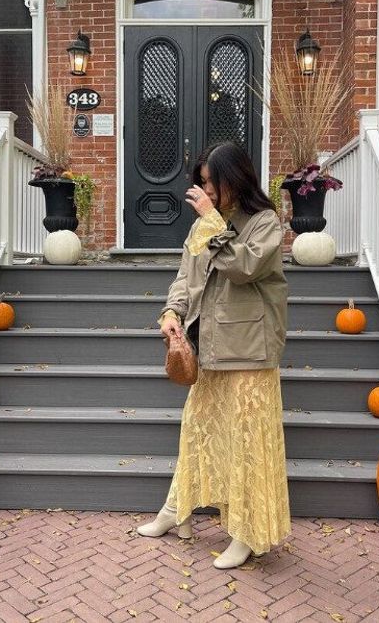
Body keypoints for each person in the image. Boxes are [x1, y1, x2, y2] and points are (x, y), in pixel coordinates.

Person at [136, 141, 292, 570]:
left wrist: (211, 220)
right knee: (197, 431)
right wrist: (171, 312)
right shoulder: (203, 227)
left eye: (211, 182)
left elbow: (242, 268)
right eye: (201, 183)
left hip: (249, 352)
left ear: (234, 179)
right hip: (210, 350)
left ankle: (245, 533)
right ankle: (177, 509)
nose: (205, 190)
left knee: (245, 443)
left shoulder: (265, 223)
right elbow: (186, 278)